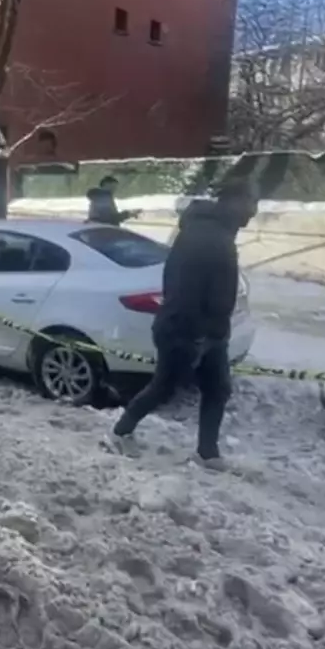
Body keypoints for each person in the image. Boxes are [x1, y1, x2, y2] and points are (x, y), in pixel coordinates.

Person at [106, 180, 258, 471]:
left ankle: (207, 453)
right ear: (233, 201)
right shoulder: (207, 236)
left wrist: (215, 331)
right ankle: (119, 432)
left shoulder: (217, 233)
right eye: (251, 201)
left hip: (210, 331)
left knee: (218, 388)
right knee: (163, 388)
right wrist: (197, 335)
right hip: (185, 330)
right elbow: (185, 290)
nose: (254, 210)